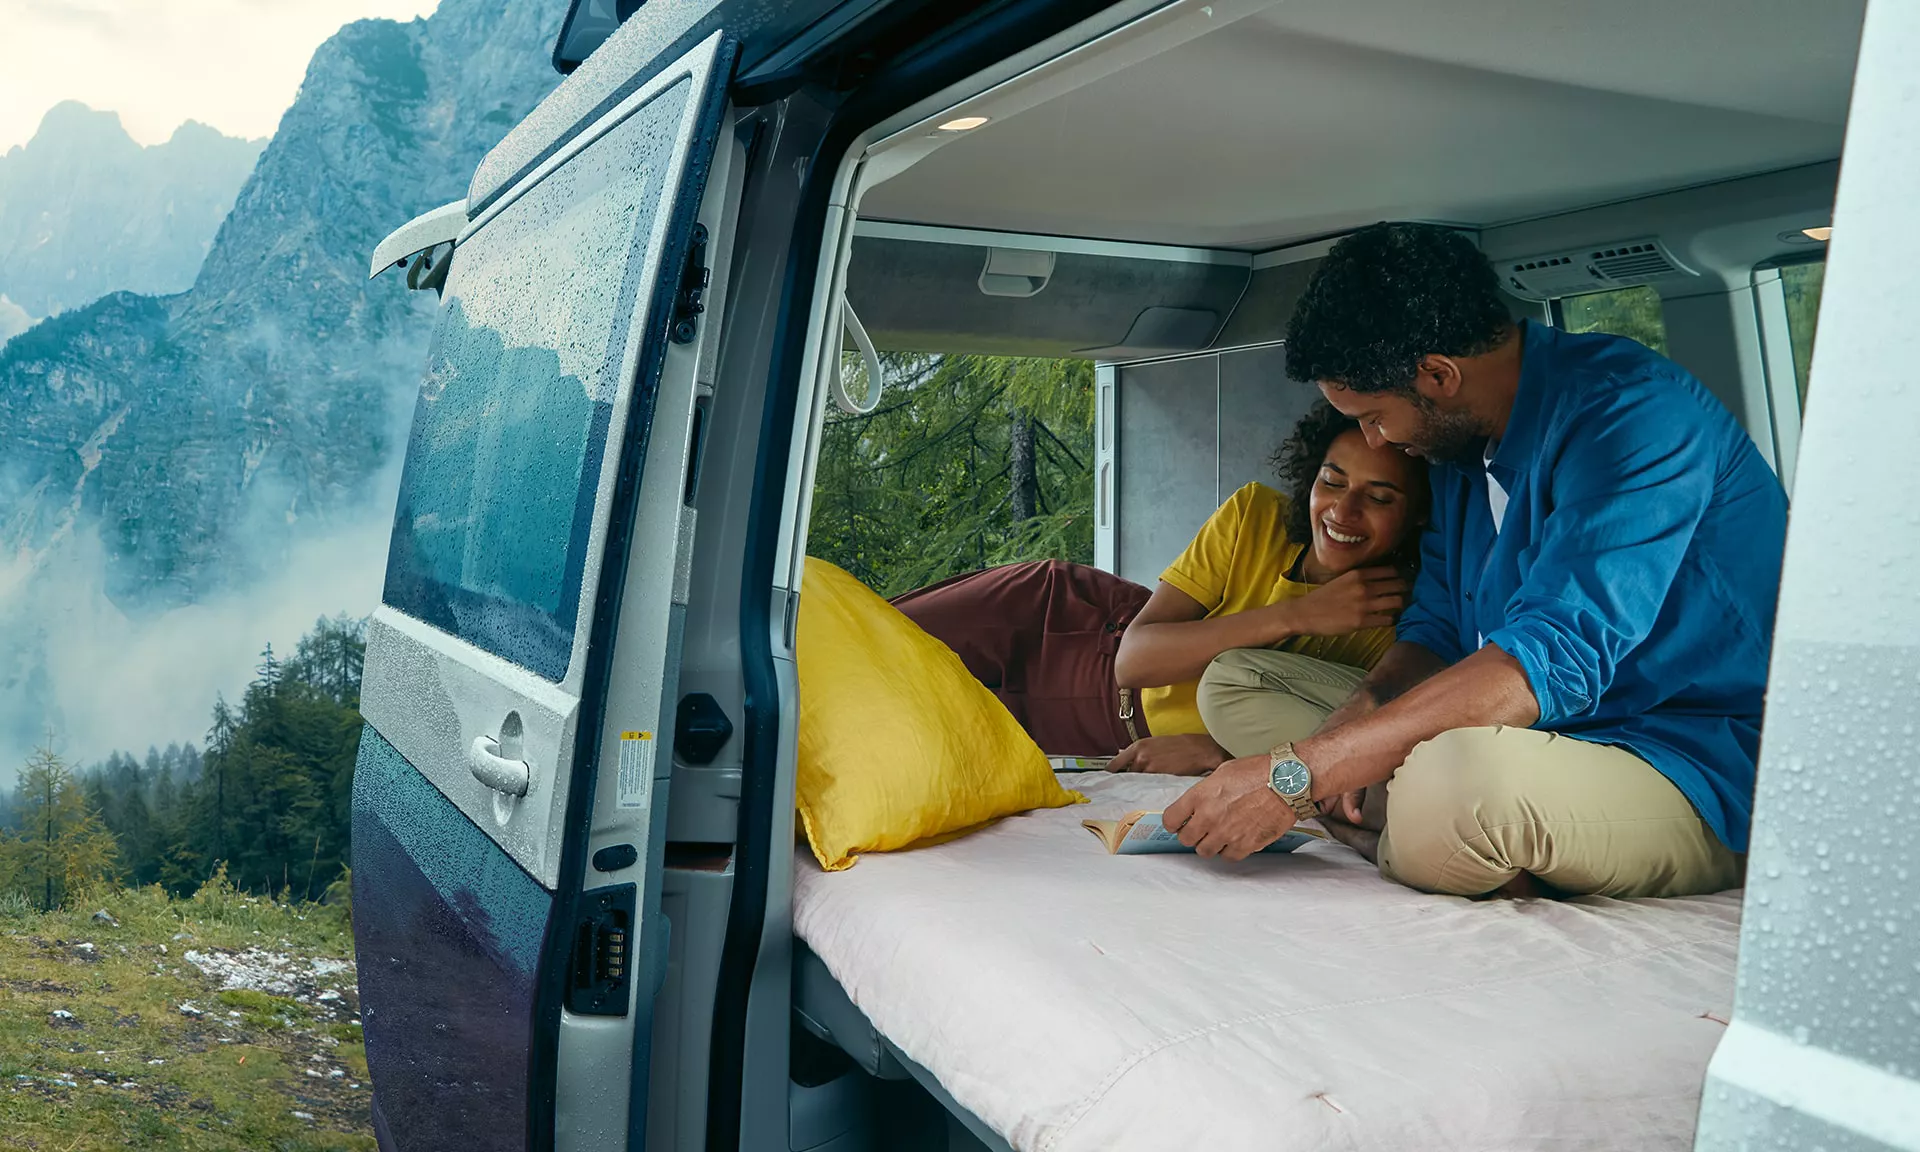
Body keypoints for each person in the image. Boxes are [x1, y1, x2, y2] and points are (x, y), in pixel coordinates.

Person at [1165, 222, 1789, 901]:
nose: (1376, 440)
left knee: (1451, 788)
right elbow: (1434, 633)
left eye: (1373, 416)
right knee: (1236, 681)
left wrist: (1298, 778)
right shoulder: (1457, 448)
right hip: (1523, 733)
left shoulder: (1634, 418)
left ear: (1438, 375)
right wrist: (1344, 738)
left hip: (1685, 761)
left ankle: (1409, 827)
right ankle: (1401, 829)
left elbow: (1544, 664)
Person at [890, 403, 1428, 773]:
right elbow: (1135, 661)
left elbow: (1348, 742)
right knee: (863, 642)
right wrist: (1300, 615)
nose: (1343, 510)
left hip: (1092, 738)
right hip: (1066, 630)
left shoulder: (1399, 623)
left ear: (1415, 518)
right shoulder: (1255, 516)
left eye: (1379, 498)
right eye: (1331, 482)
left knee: (897, 735)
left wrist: (1219, 753)